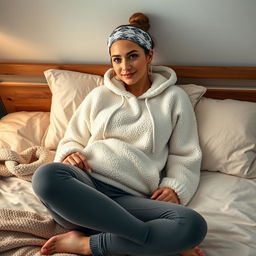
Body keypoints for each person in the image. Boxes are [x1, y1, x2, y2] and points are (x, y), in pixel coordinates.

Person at [32, 12, 207, 256]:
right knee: (46, 176)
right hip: (84, 191)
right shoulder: (99, 96)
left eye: (133, 56)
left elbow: (185, 153)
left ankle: (86, 244)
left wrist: (175, 188)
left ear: (149, 56)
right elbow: (71, 138)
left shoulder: (174, 99)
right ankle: (155, 240)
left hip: (131, 201)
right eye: (117, 60)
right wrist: (70, 153)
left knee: (193, 224)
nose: (124, 67)